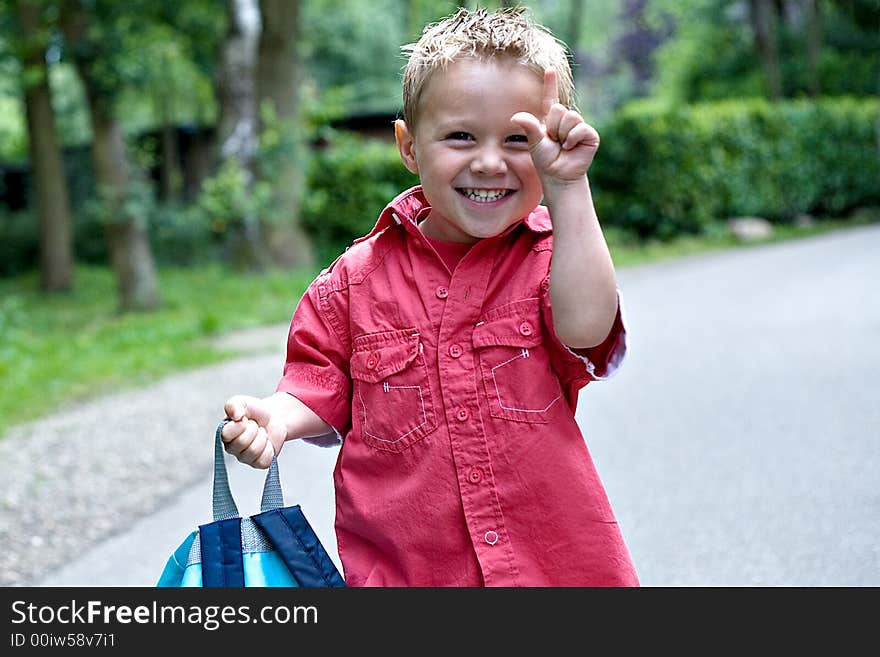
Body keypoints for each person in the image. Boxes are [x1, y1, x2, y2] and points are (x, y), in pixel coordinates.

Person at [221, 6, 639, 587]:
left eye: (519, 139)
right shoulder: (352, 283)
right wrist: (276, 418)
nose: (490, 161)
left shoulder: (552, 259)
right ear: (410, 146)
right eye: (461, 136)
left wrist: (569, 186)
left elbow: (589, 329)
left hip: (551, 570)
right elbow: (320, 385)